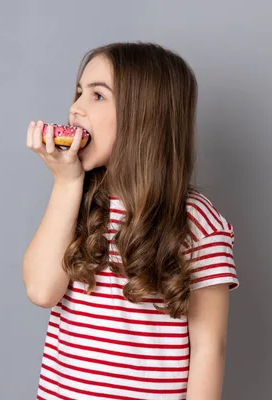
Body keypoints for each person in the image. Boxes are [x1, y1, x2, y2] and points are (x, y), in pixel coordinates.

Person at [23, 41, 239, 400]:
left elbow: (208, 348)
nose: (75, 109)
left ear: (145, 114)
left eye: (98, 96)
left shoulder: (197, 221)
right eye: (78, 92)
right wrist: (67, 182)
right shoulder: (77, 201)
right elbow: (41, 290)